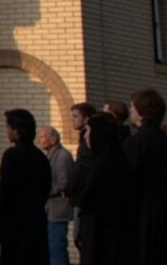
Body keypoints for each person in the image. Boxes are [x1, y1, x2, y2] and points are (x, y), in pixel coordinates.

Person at [124, 88, 167, 265]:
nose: (131, 112)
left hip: (142, 213)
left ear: (141, 114)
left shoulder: (135, 143)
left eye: (133, 108)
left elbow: (128, 179)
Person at [73, 112, 135, 265]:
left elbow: (90, 194)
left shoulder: (102, 163)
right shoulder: (117, 158)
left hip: (100, 231)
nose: (85, 136)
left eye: (88, 131)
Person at [0, 108, 50, 265]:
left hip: (15, 223)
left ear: (16, 130)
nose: (7, 131)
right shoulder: (40, 157)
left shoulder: (11, 155)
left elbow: (5, 191)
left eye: (8, 127)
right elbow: (46, 187)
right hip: (36, 220)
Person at [36, 125, 73, 265]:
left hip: (58, 209)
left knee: (56, 247)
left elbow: (63, 183)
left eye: (42, 137)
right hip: (51, 208)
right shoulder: (51, 155)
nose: (39, 140)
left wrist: (43, 191)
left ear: (53, 139)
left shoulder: (62, 156)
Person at [66, 102, 97, 255]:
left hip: (82, 196)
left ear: (86, 119)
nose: (72, 120)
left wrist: (70, 187)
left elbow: (82, 167)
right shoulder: (84, 139)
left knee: (81, 238)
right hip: (81, 195)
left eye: (76, 116)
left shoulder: (87, 140)